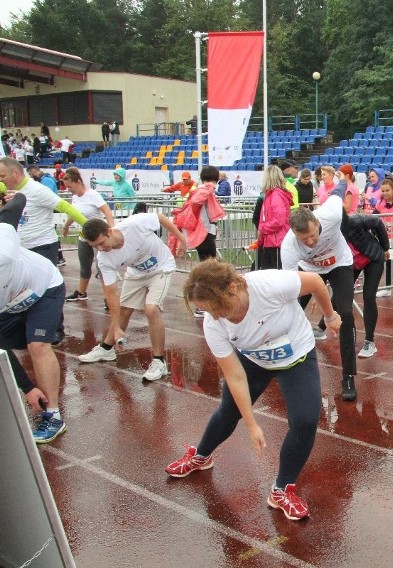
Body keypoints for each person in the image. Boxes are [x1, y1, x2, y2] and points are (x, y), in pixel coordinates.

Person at [165, 259, 339, 521]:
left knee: (305, 420)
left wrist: (330, 315)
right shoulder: (214, 325)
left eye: (217, 309)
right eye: (206, 311)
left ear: (233, 288)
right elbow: (234, 376)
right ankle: (201, 456)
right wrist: (251, 423)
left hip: (297, 358)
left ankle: (281, 489)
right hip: (254, 360)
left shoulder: (269, 285)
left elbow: (315, 281)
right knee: (228, 410)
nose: (214, 317)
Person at [78, 212, 187, 381]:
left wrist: (181, 238)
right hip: (136, 273)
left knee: (151, 309)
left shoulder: (134, 224)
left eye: (102, 243)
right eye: (95, 246)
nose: (101, 248)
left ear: (110, 231)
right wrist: (116, 328)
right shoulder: (104, 259)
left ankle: (159, 362)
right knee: (123, 310)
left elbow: (160, 217)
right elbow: (111, 293)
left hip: (161, 267)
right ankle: (107, 348)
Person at [280, 176, 358, 401]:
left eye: (314, 235)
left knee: (344, 314)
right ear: (295, 235)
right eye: (306, 240)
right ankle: (283, 365)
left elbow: (340, 189)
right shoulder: (289, 246)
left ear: (317, 222)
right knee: (288, 313)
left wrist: (343, 178)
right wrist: (312, 292)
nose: (312, 242)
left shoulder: (331, 213)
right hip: (308, 271)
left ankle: (348, 376)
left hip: (339, 264)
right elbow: (289, 285)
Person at [0, 192, 67, 443]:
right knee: (15, 345)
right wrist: (27, 387)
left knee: (37, 345)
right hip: (10, 304)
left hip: (45, 286)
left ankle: (54, 415)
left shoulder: (3, 246)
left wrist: (13, 195)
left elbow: (13, 209)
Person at [0, 158, 87, 341]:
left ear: (15, 174)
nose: (1, 180)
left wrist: (89, 227)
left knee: (49, 287)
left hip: (42, 246)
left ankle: (56, 328)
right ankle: (29, 326)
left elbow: (65, 207)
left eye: (3, 176)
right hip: (22, 249)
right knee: (22, 290)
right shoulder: (9, 190)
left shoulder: (38, 190)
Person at [170, 165, 227, 313]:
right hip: (205, 234)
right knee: (209, 271)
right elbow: (196, 203)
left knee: (207, 269)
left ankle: (205, 303)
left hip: (205, 233)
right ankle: (203, 304)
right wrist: (209, 188)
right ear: (214, 179)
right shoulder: (204, 191)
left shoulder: (200, 190)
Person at [62, 167, 115, 302]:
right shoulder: (74, 197)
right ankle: (81, 292)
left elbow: (107, 212)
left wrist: (110, 231)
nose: (69, 189)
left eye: (70, 186)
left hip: (97, 237)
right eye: (67, 187)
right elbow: (74, 214)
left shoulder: (93, 195)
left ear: (78, 181)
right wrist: (66, 226)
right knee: (84, 266)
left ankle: (108, 297)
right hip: (83, 235)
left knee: (102, 267)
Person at [346, 213, 390, 358]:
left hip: (373, 257)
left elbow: (377, 221)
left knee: (369, 296)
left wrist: (385, 248)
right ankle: (321, 328)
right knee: (341, 295)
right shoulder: (327, 233)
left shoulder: (354, 221)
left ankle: (369, 341)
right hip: (353, 262)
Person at [255, 165, 294, 270]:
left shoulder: (276, 195)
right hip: (272, 241)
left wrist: (262, 228)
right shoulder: (272, 195)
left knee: (275, 274)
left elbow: (279, 220)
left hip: (277, 242)